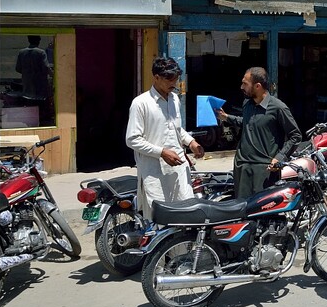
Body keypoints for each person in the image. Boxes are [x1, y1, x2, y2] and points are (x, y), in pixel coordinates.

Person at [126, 57, 204, 221]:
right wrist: (161, 153)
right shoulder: (141, 103)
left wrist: (191, 142)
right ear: (156, 77)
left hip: (178, 171)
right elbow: (132, 139)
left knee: (185, 218)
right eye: (169, 79)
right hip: (154, 174)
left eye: (175, 79)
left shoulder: (174, 99)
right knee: (159, 223)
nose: (173, 83)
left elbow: (175, 128)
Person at [217, 67, 302, 199]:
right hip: (242, 167)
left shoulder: (278, 108)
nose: (241, 87)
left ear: (257, 86)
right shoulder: (247, 104)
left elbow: (295, 136)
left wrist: (280, 158)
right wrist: (226, 117)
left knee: (264, 214)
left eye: (245, 83)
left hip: (264, 170)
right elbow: (246, 122)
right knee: (242, 211)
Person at [15, 35, 52, 124]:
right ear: (38, 41)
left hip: (27, 86)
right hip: (40, 87)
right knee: (41, 110)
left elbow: (18, 68)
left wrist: (27, 74)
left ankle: (31, 124)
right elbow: (46, 68)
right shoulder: (41, 52)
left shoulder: (22, 52)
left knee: (29, 109)